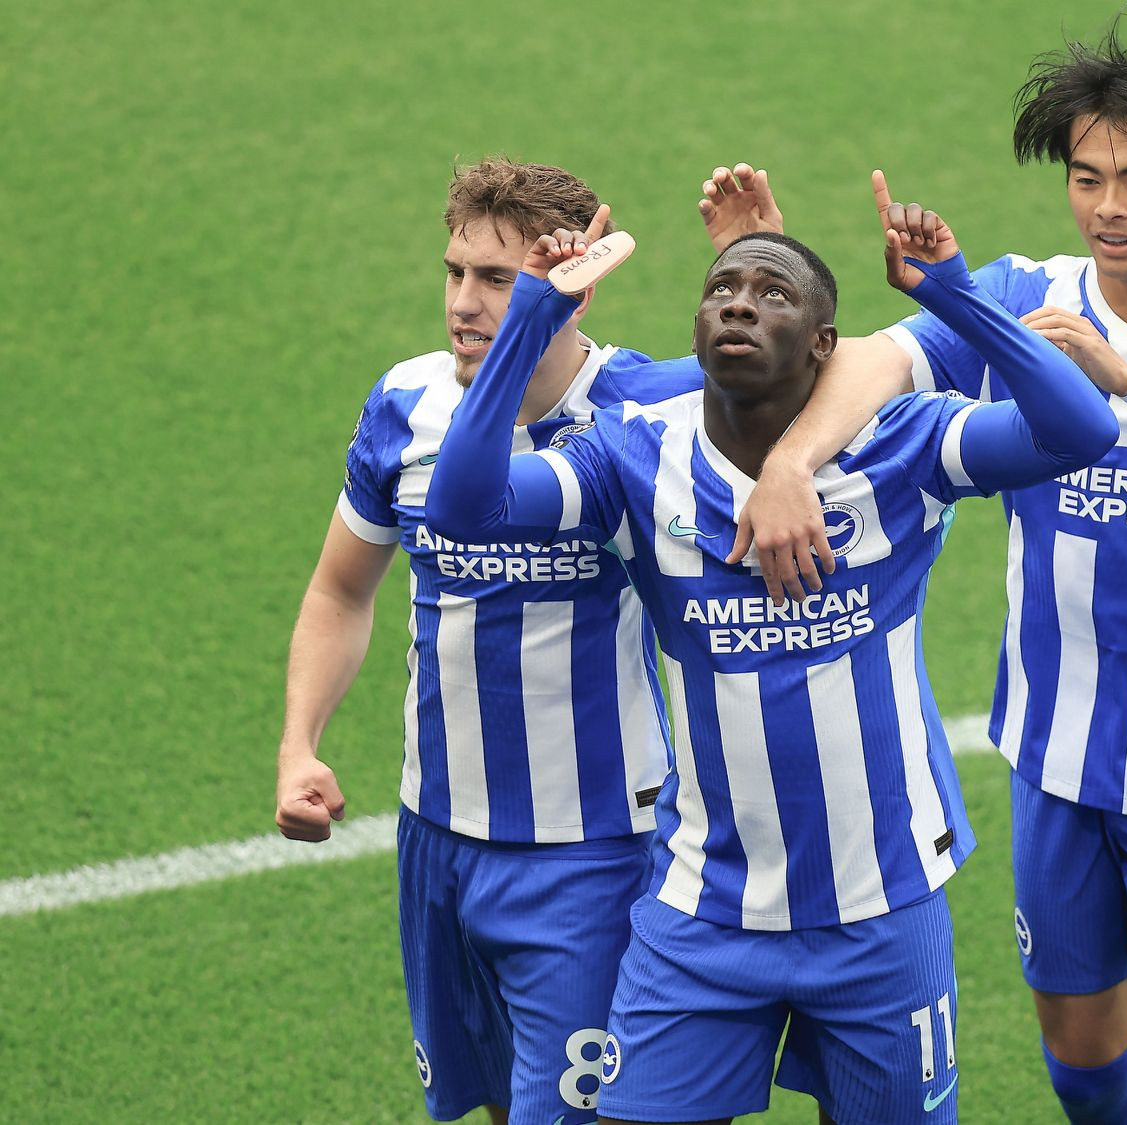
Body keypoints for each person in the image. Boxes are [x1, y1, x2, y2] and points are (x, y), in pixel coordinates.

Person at [737, 23, 1127, 1125]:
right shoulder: (1024, 296)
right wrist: (789, 462)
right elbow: (876, 362)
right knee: (1084, 1074)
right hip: (1057, 757)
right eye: (1087, 178)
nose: (1108, 207)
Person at [425, 182, 1119, 1124]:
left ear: (825, 345)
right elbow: (464, 506)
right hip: (701, 911)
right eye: (721, 290)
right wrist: (531, 320)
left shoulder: (900, 445)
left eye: (772, 293)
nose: (739, 305)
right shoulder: (632, 456)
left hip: (880, 904)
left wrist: (953, 295)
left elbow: (1080, 429)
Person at [272, 157, 785, 1125]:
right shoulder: (406, 403)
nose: (464, 302)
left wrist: (764, 257)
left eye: (498, 280)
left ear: (573, 290)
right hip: (435, 837)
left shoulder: (651, 404)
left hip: (591, 853)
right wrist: (301, 743)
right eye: (455, 271)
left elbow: (809, 377)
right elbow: (340, 589)